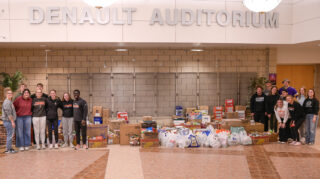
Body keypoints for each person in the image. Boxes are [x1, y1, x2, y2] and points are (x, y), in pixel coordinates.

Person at [2, 88, 17, 154]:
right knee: (10, 135)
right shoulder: (7, 102)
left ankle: (10, 148)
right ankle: (8, 149)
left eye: (11, 93)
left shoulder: (9, 101)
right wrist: (12, 122)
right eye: (9, 93)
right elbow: (9, 114)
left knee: (10, 135)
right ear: (6, 94)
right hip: (8, 121)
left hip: (10, 121)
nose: (10, 94)